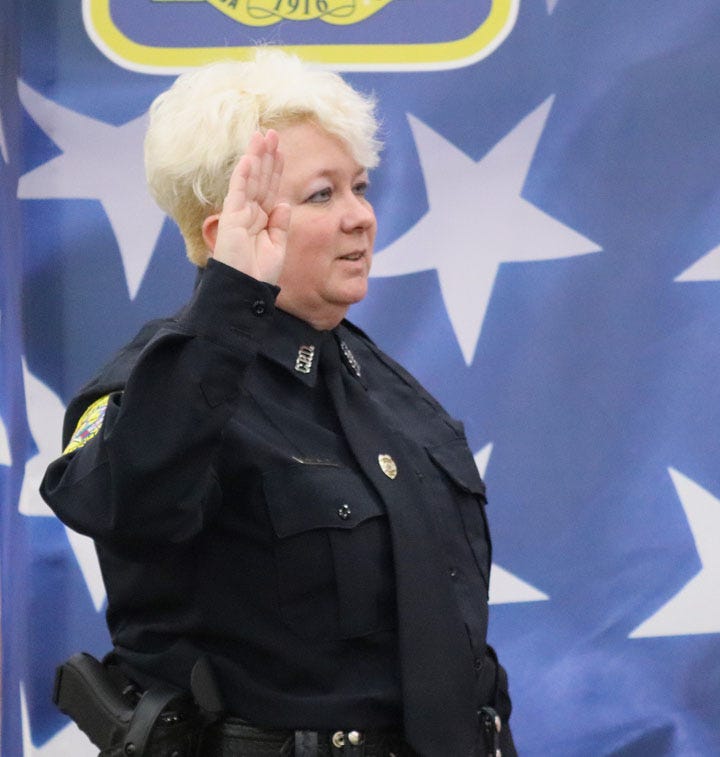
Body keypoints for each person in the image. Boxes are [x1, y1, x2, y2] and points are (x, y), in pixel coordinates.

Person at [40, 48, 516, 757]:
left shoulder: (379, 382)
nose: (362, 217)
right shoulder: (154, 383)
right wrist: (232, 297)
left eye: (360, 186)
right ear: (222, 234)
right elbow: (127, 498)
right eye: (322, 195)